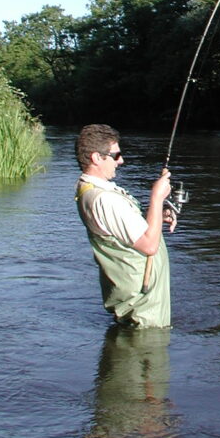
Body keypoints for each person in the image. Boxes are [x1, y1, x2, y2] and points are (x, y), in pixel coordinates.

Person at [74, 124, 175, 328]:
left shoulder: (92, 190)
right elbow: (148, 246)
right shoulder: (104, 199)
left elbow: (125, 228)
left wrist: (157, 215)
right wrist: (156, 198)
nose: (121, 161)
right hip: (142, 311)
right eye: (116, 155)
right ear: (96, 158)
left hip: (139, 305)